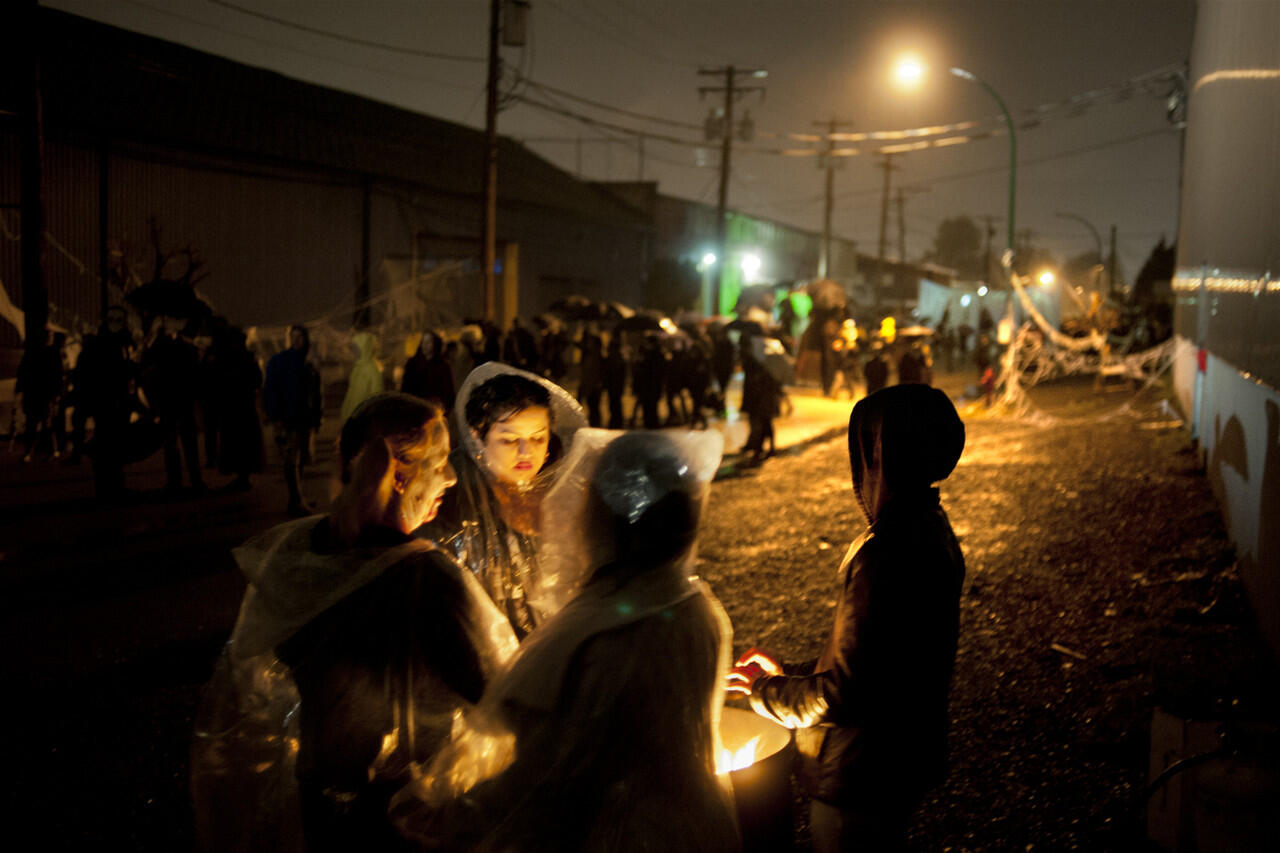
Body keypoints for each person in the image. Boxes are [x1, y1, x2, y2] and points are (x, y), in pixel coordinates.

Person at [190, 393, 518, 853]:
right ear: (401, 474)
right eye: (440, 462)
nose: (447, 477)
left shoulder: (301, 550)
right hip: (404, 803)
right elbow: (497, 693)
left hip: (321, 790)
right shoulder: (426, 579)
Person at [392, 430, 739, 853]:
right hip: (697, 828)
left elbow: (549, 779)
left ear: (603, 516)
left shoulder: (597, 636)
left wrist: (451, 813)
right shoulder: (699, 608)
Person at [728, 384, 966, 852]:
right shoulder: (931, 529)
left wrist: (764, 693)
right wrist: (792, 674)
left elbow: (847, 694)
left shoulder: (887, 553)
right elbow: (878, 662)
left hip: (861, 777)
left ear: (880, 454)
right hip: (900, 764)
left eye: (863, 451)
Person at [425, 362, 586, 639]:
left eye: (538, 438)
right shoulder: (453, 499)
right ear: (477, 436)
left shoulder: (565, 490)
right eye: (510, 440)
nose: (526, 452)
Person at [141, 315, 206, 492]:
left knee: (180, 442)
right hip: (173, 399)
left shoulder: (177, 345)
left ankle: (183, 480)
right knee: (177, 442)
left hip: (175, 399)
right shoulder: (166, 344)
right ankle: (185, 480)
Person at [264, 325, 323, 516]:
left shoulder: (309, 363)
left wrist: (316, 419)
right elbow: (271, 391)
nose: (296, 341)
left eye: (300, 337)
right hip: (289, 418)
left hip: (304, 419)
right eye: (293, 337)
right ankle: (295, 500)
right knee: (292, 459)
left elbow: (315, 394)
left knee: (301, 458)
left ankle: (298, 498)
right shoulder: (281, 361)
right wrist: (276, 418)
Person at [400, 330, 456, 416]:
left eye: (428, 342)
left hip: (436, 412)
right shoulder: (412, 364)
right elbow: (406, 388)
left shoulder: (443, 366)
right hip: (415, 411)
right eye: (423, 342)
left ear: (435, 344)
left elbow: (449, 392)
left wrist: (444, 410)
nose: (425, 345)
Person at [339, 330, 385, 423]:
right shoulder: (357, 368)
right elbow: (351, 395)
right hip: (353, 419)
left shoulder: (372, 370)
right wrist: (345, 414)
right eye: (354, 349)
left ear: (365, 348)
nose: (354, 352)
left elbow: (376, 397)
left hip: (364, 420)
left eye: (357, 349)